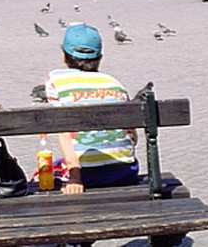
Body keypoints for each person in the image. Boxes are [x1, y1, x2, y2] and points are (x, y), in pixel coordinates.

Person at [44, 24, 139, 192]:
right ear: (100, 57)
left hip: (85, 175)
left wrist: (75, 177)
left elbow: (64, 131)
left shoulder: (55, 79)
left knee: (44, 172)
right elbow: (133, 137)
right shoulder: (115, 84)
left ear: (64, 57)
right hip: (125, 172)